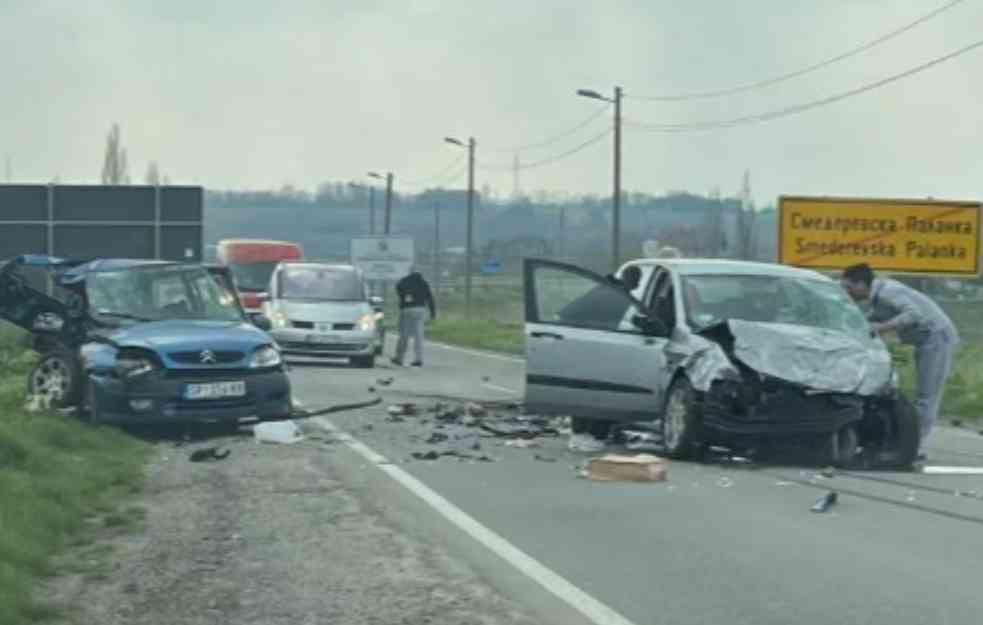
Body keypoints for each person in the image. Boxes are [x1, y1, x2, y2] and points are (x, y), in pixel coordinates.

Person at [840, 263, 959, 449]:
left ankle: (913, 445)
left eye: (849, 287)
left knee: (927, 395)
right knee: (922, 394)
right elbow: (874, 318)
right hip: (925, 341)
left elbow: (914, 314)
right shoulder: (878, 298)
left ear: (862, 284)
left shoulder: (888, 292)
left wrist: (883, 327)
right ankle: (907, 440)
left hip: (936, 337)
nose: (847, 293)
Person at [565, 265, 644, 452]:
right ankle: (593, 434)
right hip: (595, 345)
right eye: (637, 280)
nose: (638, 284)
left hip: (585, 342)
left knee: (587, 390)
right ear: (630, 279)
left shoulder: (605, 289)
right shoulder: (616, 296)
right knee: (603, 393)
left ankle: (580, 433)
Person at [393, 268, 436, 367]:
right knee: (418, 335)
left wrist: (403, 298)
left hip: (406, 310)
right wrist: (433, 313)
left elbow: (398, 288)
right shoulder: (424, 283)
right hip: (420, 309)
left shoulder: (404, 281)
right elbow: (430, 298)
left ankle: (399, 358)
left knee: (404, 334)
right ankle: (418, 359)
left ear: (410, 273)